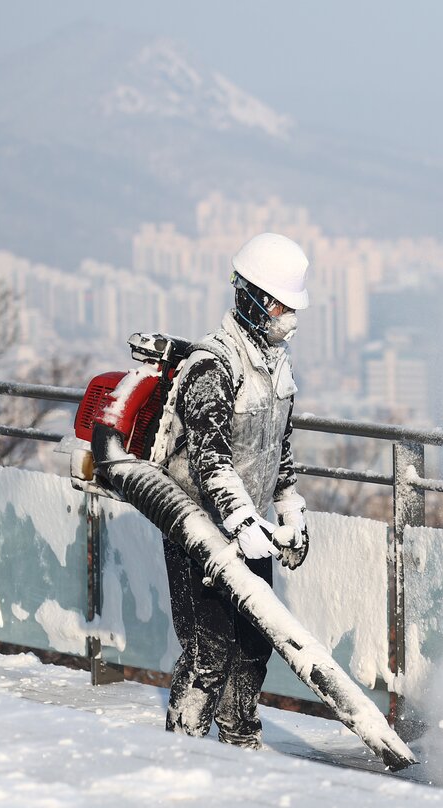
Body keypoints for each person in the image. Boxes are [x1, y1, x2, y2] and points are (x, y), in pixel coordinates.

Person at [157, 232, 312, 749]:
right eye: (279, 305)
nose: (287, 317)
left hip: (251, 529)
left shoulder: (276, 364)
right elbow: (209, 458)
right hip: (198, 525)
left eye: (292, 306)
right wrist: (242, 521)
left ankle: (240, 745)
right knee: (209, 651)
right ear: (250, 297)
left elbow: (279, 446)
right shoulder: (213, 364)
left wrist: (289, 508)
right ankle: (183, 748)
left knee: (251, 646)